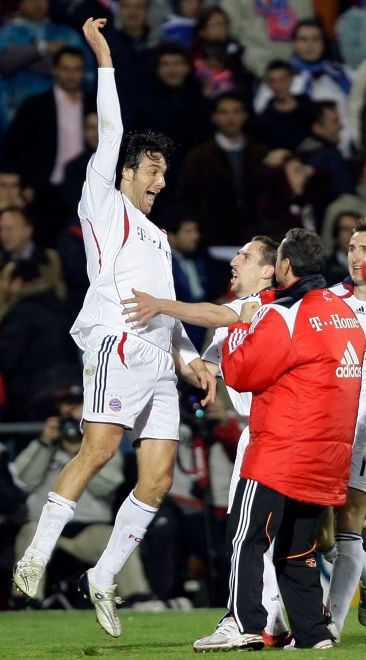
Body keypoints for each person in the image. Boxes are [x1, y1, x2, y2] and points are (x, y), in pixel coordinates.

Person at [12, 17, 215, 638]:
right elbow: (116, 130)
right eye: (150, 171)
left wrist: (190, 359)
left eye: (161, 173)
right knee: (98, 450)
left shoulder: (158, 237)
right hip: (116, 345)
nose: (158, 181)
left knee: (156, 478)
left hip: (159, 359)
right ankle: (35, 556)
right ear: (125, 171)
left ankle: (104, 576)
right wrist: (104, 58)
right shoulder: (104, 202)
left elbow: (170, 308)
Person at [121, 236, 292, 647]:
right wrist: (194, 368)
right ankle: (279, 619)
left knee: (253, 532)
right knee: (265, 533)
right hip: (270, 432)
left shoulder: (267, 304)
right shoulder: (242, 313)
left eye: (245, 256)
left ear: (268, 270)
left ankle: (248, 620)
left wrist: (162, 306)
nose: (234, 260)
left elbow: (215, 314)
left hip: (277, 432)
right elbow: (207, 367)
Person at [203, 227, 364, 650]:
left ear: (284, 267)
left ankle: (243, 624)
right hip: (328, 454)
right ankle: (313, 633)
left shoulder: (282, 315)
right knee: (297, 546)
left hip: (281, 448)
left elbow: (239, 373)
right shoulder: (343, 312)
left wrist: (241, 324)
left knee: (245, 533)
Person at [318, 218, 366, 637]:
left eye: (364, 249)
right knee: (321, 525)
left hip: (363, 427)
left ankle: (330, 625)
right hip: (328, 422)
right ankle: (361, 572)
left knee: (350, 513)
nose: (356, 256)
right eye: (352, 247)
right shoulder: (329, 299)